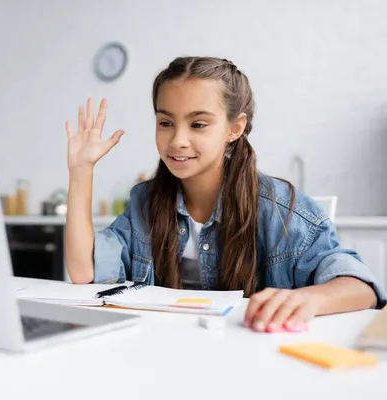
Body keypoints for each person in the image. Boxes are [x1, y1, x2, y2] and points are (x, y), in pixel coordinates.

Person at [63, 56, 386, 333]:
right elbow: (84, 271)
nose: (177, 140)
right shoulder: (144, 203)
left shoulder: (280, 208)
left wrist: (308, 299)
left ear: (235, 128)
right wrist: (81, 170)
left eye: (198, 124)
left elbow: (361, 288)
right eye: (165, 122)